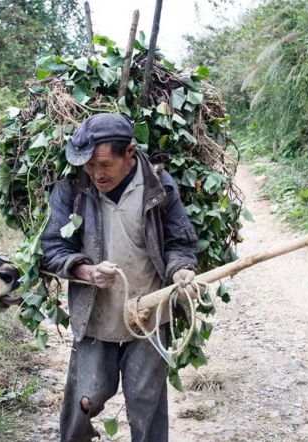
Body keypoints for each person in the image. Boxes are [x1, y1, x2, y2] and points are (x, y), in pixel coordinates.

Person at [41, 113, 199, 442]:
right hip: (96, 317)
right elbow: (53, 247)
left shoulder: (159, 185)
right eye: (88, 165)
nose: (96, 174)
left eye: (104, 165)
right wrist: (85, 270)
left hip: (149, 314)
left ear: (129, 153)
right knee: (87, 397)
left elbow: (179, 243)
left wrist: (181, 270)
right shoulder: (72, 189)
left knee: (146, 402)